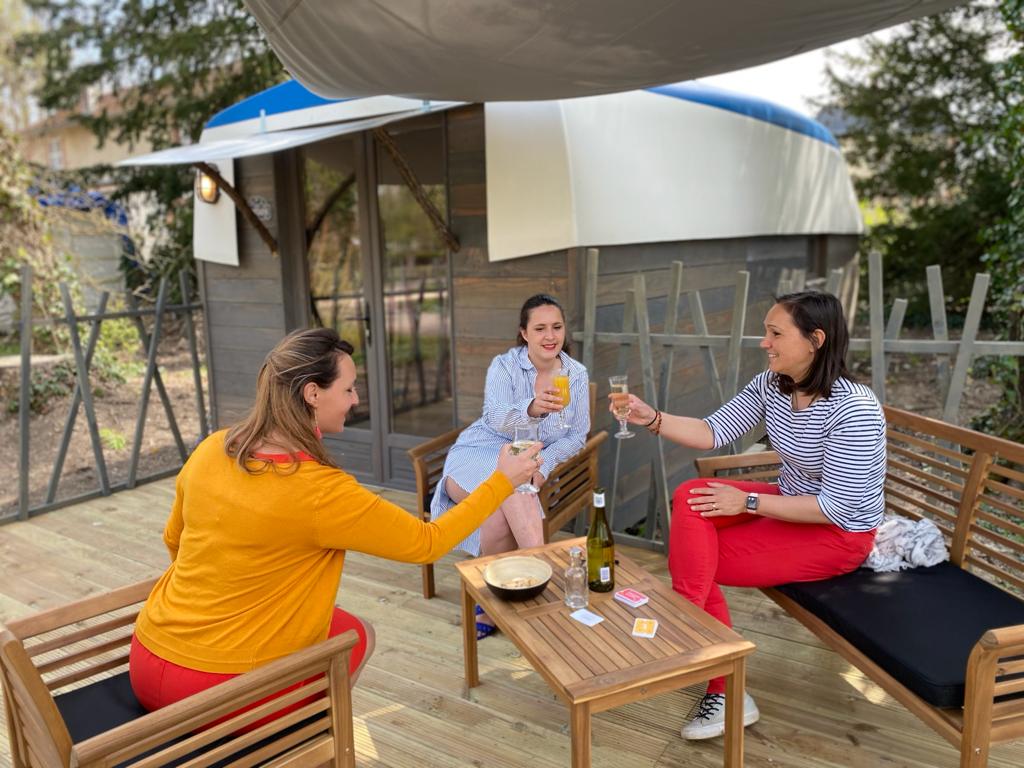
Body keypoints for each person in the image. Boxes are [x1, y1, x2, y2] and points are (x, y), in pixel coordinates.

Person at [128, 327, 542, 720]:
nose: (355, 399)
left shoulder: (212, 448)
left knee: (341, 624)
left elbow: (174, 541)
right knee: (357, 638)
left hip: (147, 654)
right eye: (347, 389)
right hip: (221, 690)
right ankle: (313, 743)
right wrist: (502, 481)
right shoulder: (319, 490)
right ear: (312, 393)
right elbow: (426, 543)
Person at [613, 291, 885, 740]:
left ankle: (715, 678)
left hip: (837, 534)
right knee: (690, 494)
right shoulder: (772, 387)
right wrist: (651, 417)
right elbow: (711, 431)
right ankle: (690, 639)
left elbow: (837, 506)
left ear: (815, 340)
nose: (765, 342)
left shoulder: (854, 409)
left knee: (702, 557)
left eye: (776, 333)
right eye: (767, 332)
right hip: (790, 504)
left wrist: (748, 503)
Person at [430, 294, 590, 637]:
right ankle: (544, 581)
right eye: (540, 328)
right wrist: (532, 408)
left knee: (506, 499)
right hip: (481, 450)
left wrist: (542, 467)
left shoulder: (575, 375)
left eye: (557, 327)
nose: (550, 336)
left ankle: (491, 602)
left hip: (530, 456)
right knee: (516, 485)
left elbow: (576, 435)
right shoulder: (504, 366)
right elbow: (496, 418)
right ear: (524, 333)